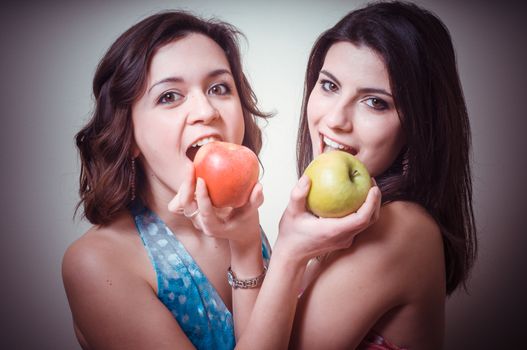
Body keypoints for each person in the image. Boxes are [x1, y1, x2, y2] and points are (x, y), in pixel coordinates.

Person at [62, 10, 381, 350]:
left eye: (219, 88)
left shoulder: (239, 220)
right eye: (169, 96)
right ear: (129, 135)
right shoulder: (96, 264)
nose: (207, 110)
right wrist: (288, 254)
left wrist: (248, 247)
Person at [275, 1, 476, 349]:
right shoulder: (349, 225)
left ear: (418, 125)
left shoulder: (398, 227)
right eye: (329, 86)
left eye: (375, 102)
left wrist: (284, 252)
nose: (336, 119)